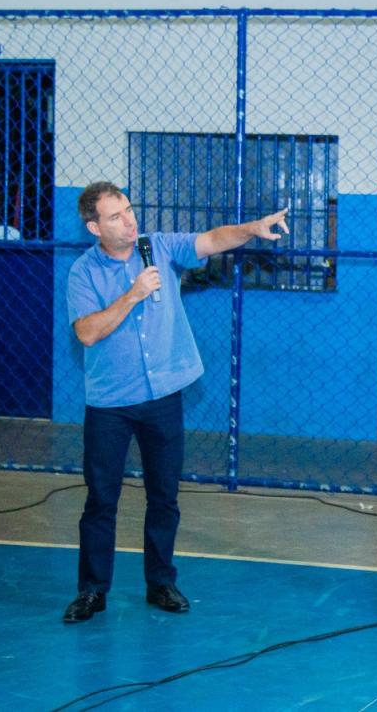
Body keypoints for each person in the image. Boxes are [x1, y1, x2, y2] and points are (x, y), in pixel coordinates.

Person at [61, 181, 288, 623]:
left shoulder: (159, 248)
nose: (129, 221)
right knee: (100, 500)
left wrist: (253, 228)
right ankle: (92, 591)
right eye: (115, 217)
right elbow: (87, 332)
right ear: (94, 227)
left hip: (163, 397)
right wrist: (133, 294)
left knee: (164, 495)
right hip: (109, 404)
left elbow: (213, 239)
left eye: (128, 210)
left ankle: (161, 582)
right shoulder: (83, 273)